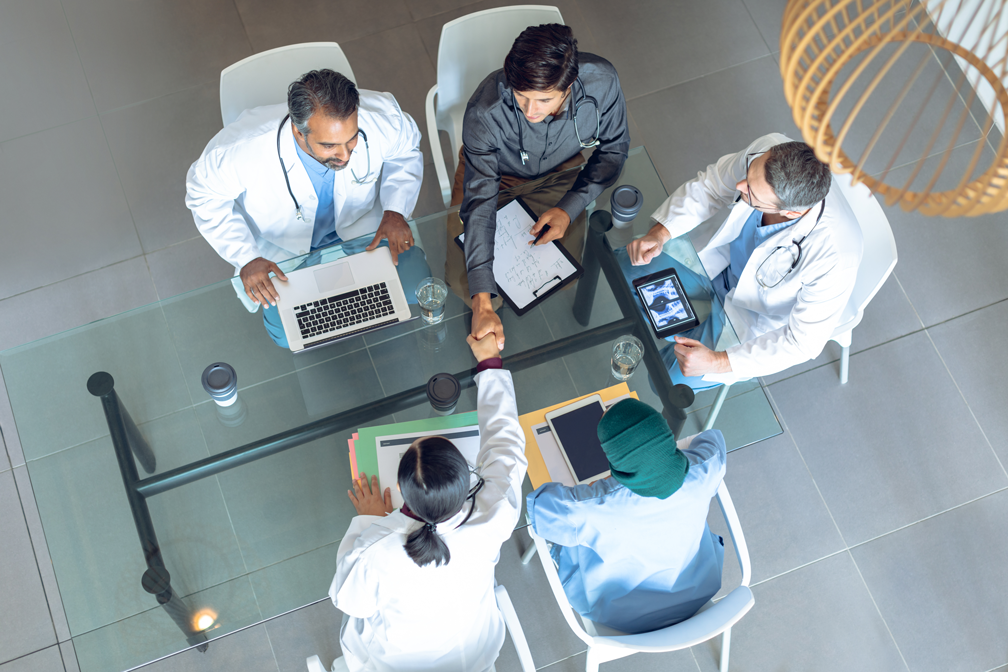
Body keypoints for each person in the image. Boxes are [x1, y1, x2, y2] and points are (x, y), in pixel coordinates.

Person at [328, 333, 527, 671]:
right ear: (465, 481)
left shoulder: (376, 547)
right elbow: (505, 442)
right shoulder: (494, 510)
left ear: (405, 495)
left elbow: (349, 601)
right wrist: (490, 364)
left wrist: (371, 520)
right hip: (476, 651)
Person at [186, 69, 428, 347]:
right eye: (329, 146)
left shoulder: (382, 118)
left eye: (352, 139)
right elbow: (202, 195)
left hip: (366, 231)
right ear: (298, 132)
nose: (345, 155)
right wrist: (246, 257)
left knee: (416, 290)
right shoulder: (241, 149)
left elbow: (407, 151)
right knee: (290, 334)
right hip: (286, 253)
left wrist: (395, 209)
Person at [624, 134, 864, 388]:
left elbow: (800, 343)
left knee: (667, 380)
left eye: (751, 192)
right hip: (715, 261)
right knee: (631, 267)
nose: (739, 186)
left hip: (752, 315)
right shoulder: (767, 151)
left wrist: (716, 362)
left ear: (790, 212)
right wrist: (660, 234)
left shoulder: (836, 256)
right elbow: (712, 186)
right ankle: (666, 325)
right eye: (749, 174)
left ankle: (676, 330)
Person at [449, 23, 630, 352]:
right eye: (521, 97)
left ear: (569, 86)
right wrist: (482, 300)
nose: (531, 111)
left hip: (559, 173)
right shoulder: (484, 112)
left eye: (544, 100)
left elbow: (614, 151)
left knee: (556, 273)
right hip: (493, 175)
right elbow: (480, 205)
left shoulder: (602, 81)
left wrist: (569, 208)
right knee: (465, 278)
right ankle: (480, 319)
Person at [527, 398, 726, 634]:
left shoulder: (591, 509)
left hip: (621, 614)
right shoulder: (705, 470)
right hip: (698, 589)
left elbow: (538, 508)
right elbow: (711, 439)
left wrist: (594, 489)